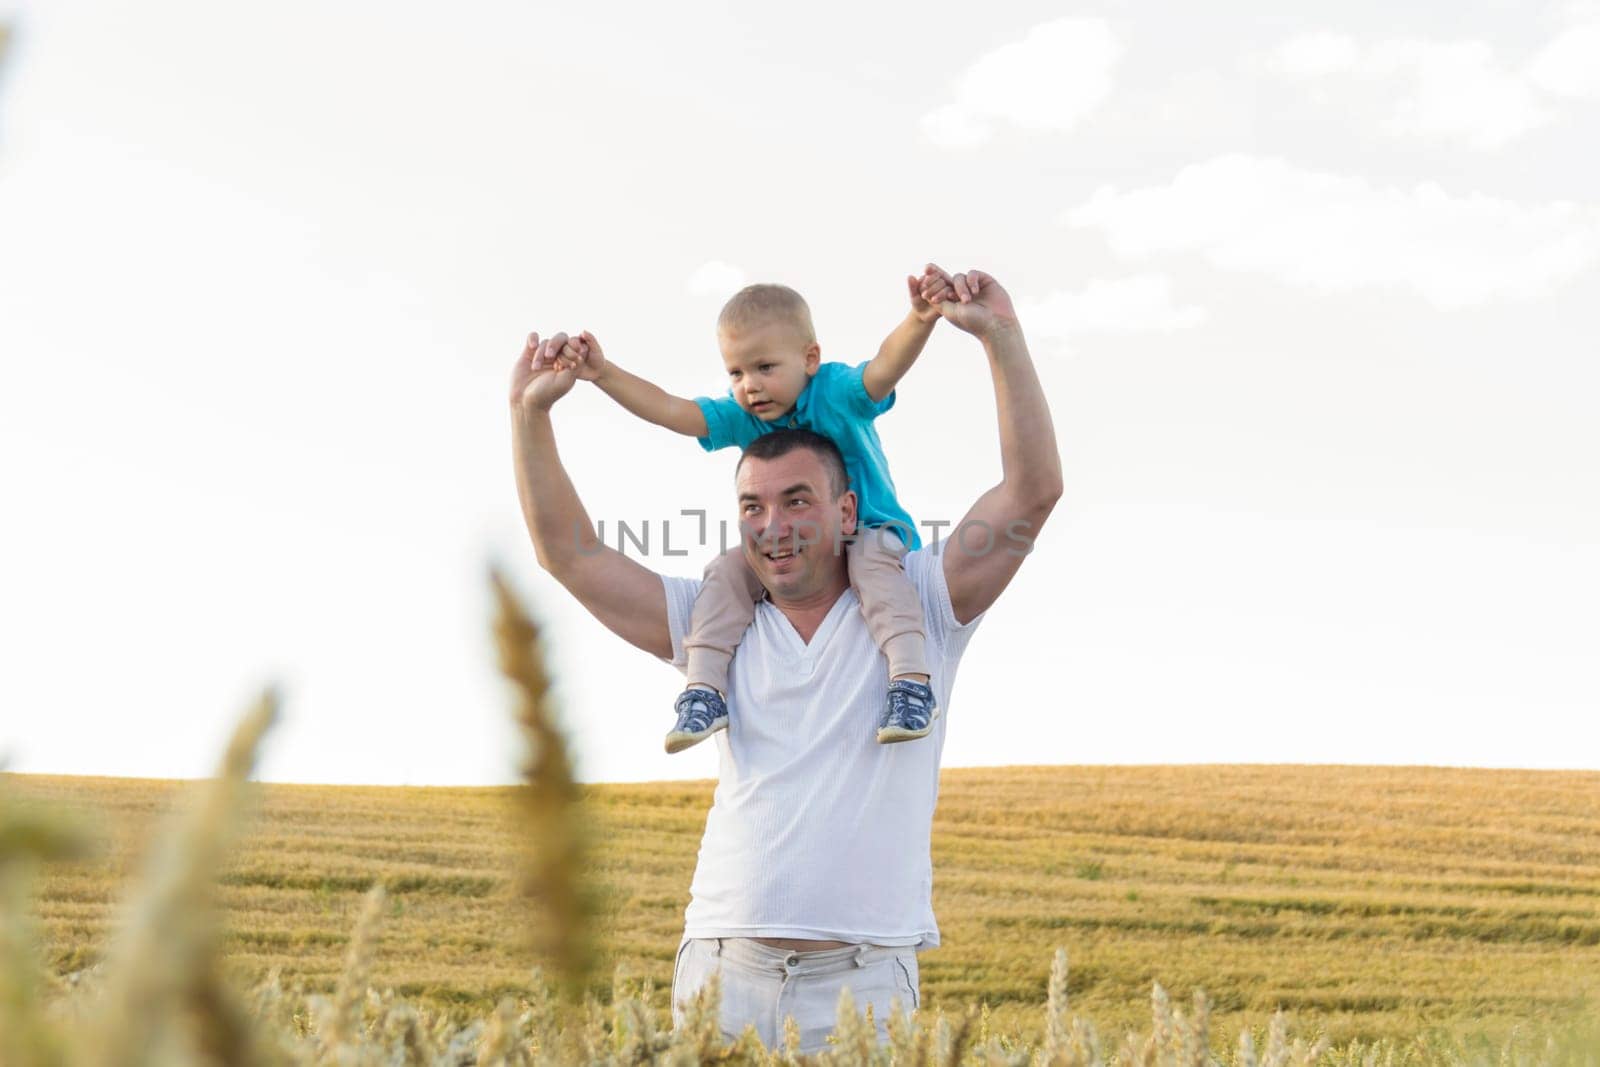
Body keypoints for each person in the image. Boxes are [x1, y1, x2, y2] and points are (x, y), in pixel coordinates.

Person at [508, 268, 1061, 1054]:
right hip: (721, 972)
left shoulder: (922, 601)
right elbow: (570, 554)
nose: (773, 525)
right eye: (752, 506)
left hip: (864, 982)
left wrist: (999, 335)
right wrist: (529, 415)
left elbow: (1033, 491)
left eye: (797, 500)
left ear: (845, 511)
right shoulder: (716, 621)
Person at [545, 267, 958, 754]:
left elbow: (884, 366)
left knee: (873, 568)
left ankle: (910, 684)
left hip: (870, 531)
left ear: (810, 358)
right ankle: (703, 690)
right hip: (787, 551)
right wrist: (604, 374)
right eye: (736, 373)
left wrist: (919, 318)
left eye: (764, 367)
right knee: (726, 570)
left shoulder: (835, 391)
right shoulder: (743, 417)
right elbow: (672, 410)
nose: (750, 386)